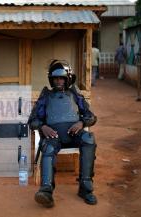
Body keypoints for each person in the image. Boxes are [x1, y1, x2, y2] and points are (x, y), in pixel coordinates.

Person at [28, 60, 98, 208]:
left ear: (67, 79)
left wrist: (81, 123)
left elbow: (91, 117)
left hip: (74, 135)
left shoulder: (74, 94)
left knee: (89, 139)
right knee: (48, 147)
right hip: (54, 137)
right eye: (55, 78)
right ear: (51, 80)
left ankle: (85, 188)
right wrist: (42, 126)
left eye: (61, 78)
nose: (58, 81)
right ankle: (46, 191)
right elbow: (32, 120)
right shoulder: (46, 95)